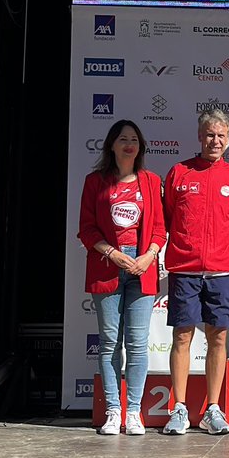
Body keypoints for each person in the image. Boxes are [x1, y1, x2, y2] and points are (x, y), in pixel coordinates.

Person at [161, 109, 229, 435]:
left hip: (222, 270)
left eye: (221, 135)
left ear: (227, 138)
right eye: (210, 135)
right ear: (200, 136)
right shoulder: (179, 173)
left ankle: (213, 408)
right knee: (182, 336)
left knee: (218, 337)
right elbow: (170, 215)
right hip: (184, 269)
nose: (215, 141)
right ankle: (180, 409)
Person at [77, 120, 166, 436]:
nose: (129, 144)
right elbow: (86, 229)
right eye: (122, 139)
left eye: (134, 139)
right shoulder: (94, 182)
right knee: (110, 342)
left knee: (138, 344)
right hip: (107, 266)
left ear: (140, 146)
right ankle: (113, 411)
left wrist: (147, 257)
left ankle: (134, 412)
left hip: (141, 268)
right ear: (111, 145)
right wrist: (113, 254)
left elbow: (158, 229)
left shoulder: (152, 181)